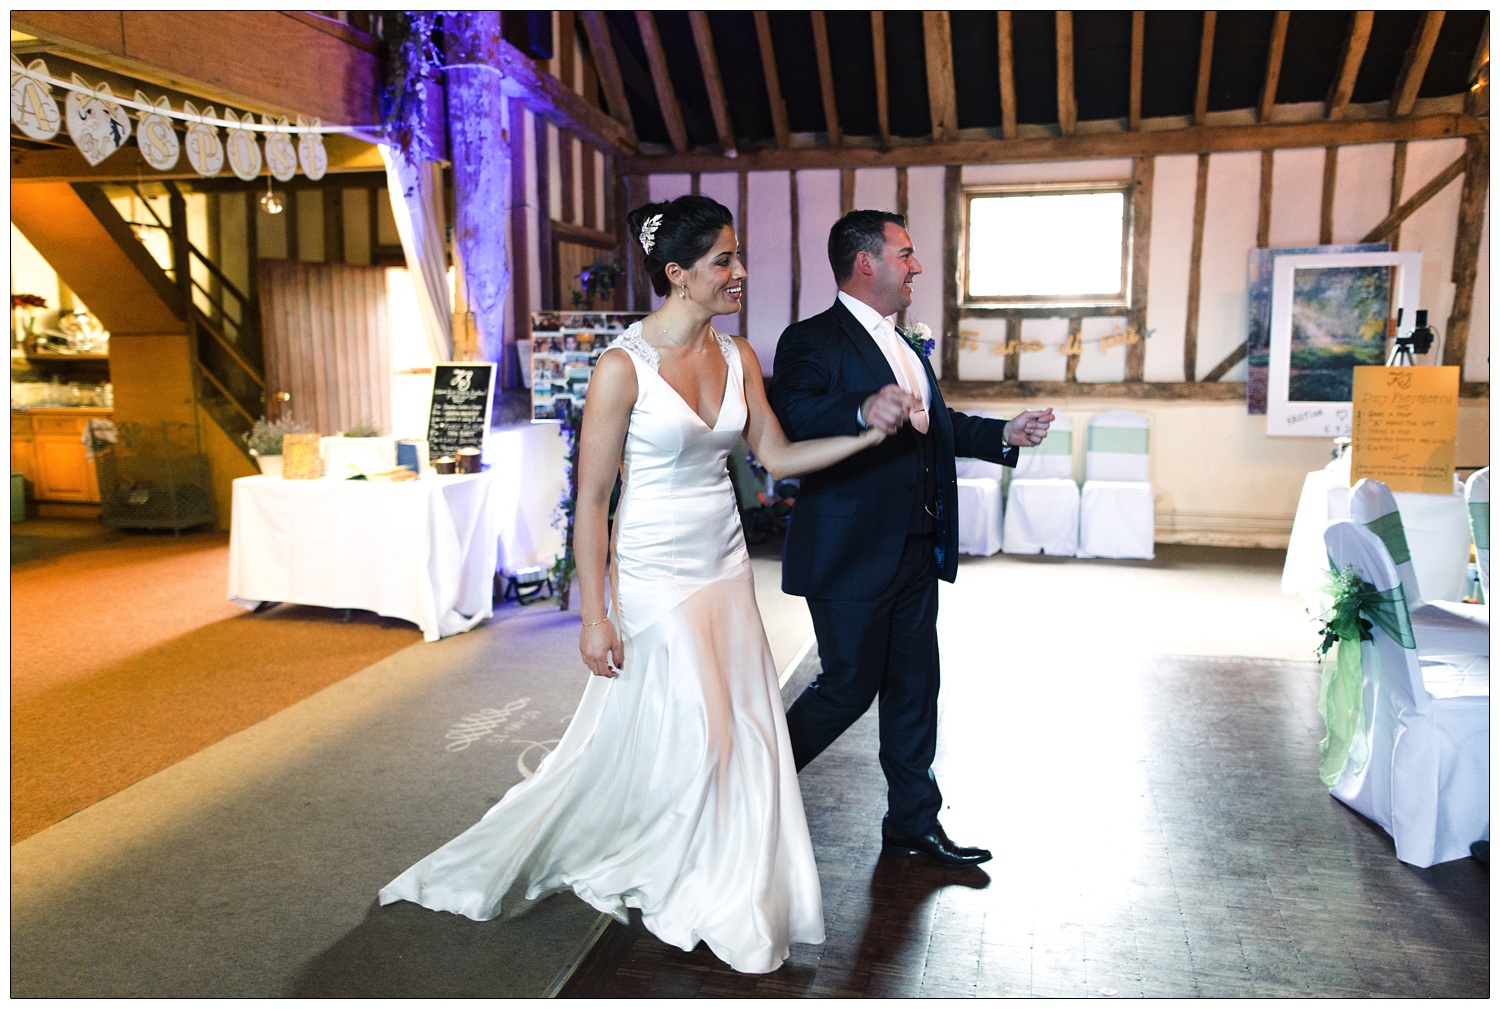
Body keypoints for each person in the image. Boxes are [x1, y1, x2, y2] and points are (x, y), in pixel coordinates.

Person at [379, 195, 896, 975]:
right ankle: (690, 875)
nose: (741, 272)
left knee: (741, 733)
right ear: (677, 274)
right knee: (707, 732)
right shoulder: (622, 369)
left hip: (724, 566)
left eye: (737, 256)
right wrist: (596, 614)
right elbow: (592, 500)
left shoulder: (740, 356)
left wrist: (866, 433)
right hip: (654, 573)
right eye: (724, 259)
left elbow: (778, 460)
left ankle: (732, 879)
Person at [770, 210, 1054, 868]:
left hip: (915, 546)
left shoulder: (908, 343)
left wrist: (1004, 435)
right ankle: (746, 789)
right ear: (864, 262)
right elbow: (794, 412)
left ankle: (912, 822)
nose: (916, 266)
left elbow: (938, 423)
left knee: (914, 685)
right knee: (847, 685)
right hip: (848, 548)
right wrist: (861, 409)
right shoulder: (812, 339)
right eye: (905, 253)